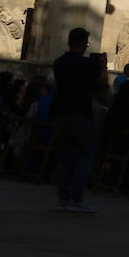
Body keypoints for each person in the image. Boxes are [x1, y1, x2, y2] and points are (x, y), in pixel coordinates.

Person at [52, 27, 103, 213]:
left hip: (62, 112)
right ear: (84, 43)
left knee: (65, 156)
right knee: (85, 155)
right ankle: (76, 197)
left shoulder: (59, 63)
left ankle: (62, 198)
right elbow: (101, 87)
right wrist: (101, 66)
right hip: (81, 113)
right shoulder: (88, 65)